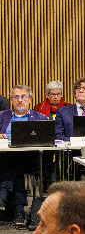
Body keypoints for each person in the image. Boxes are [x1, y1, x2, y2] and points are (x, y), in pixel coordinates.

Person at [0, 85, 48, 225]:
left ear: (30, 99)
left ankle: (3, 191)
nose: (20, 100)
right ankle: (19, 210)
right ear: (11, 100)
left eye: (23, 97)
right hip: (5, 157)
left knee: (15, 161)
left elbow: (47, 140)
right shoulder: (2, 116)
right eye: (16, 97)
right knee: (14, 163)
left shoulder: (40, 118)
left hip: (30, 159)